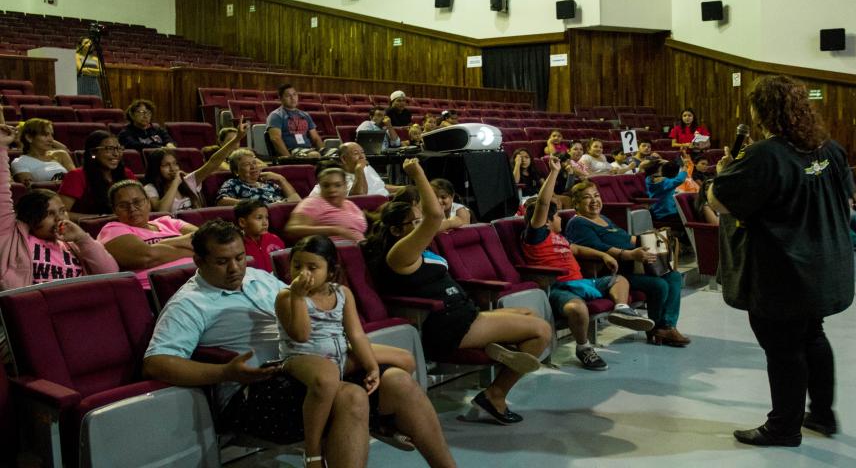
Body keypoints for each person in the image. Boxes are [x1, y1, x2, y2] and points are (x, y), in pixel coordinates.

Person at [143, 220, 454, 468]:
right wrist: (226, 372)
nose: (235, 268)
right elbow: (157, 362)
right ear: (198, 260)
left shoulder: (259, 277)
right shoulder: (189, 304)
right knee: (350, 396)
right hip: (253, 390)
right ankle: (323, 452)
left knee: (398, 380)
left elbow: (304, 313)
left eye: (239, 257)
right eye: (222, 262)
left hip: (306, 368)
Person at [708, 74, 854, 447]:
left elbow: (719, 201)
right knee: (813, 336)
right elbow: (848, 202)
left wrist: (727, 172)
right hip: (824, 263)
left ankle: (783, 428)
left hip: (784, 269)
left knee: (783, 347)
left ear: (763, 110)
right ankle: (822, 414)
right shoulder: (828, 149)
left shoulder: (764, 155)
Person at [363, 158, 551, 424]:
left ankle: (497, 350)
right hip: (449, 325)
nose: (423, 226)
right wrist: (417, 173)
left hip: (464, 312)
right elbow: (435, 216)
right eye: (415, 223)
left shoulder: (414, 241)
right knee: (540, 331)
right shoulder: (399, 253)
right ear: (395, 230)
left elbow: (442, 221)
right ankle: (495, 395)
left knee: (529, 314)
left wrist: (450, 221)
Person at [277, 235, 456, 467]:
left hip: (338, 352)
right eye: (297, 266)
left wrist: (371, 366)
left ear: (331, 271)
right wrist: (299, 297)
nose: (303, 273)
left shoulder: (341, 293)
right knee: (327, 376)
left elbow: (356, 334)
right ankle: (312, 452)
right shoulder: (287, 296)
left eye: (313, 267)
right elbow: (300, 334)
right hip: (302, 358)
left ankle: (384, 422)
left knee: (404, 359)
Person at [523, 157, 655, 371]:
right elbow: (543, 203)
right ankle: (583, 348)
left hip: (584, 282)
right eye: (556, 217)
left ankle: (622, 309)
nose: (561, 220)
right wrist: (554, 172)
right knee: (577, 309)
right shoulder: (536, 236)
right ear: (545, 220)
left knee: (619, 280)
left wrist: (603, 255)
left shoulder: (560, 237)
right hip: (561, 288)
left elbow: (576, 249)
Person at [564, 180, 689, 347]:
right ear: (576, 203)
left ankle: (666, 326)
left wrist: (653, 239)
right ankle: (657, 329)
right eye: (587, 198)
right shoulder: (578, 223)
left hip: (634, 268)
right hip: (611, 274)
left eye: (596, 195)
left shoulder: (604, 218)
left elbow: (626, 237)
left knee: (673, 276)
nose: (594, 201)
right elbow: (597, 247)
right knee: (659, 285)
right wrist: (629, 254)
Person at [1, 124, 117, 290]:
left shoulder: (73, 243)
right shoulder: (13, 238)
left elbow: (111, 273)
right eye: (49, 213)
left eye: (62, 211)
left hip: (79, 303)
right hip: (36, 307)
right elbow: (2, 194)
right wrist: (1, 147)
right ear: (31, 217)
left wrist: (82, 239)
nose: (60, 218)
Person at [97, 180, 198, 288]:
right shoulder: (112, 229)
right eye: (123, 205)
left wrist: (161, 245)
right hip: (158, 289)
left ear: (148, 202)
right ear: (114, 210)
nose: (132, 209)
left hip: (199, 279)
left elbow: (209, 239)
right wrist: (194, 251)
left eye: (137, 202)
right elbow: (146, 257)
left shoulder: (168, 222)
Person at [143, 121, 248, 213]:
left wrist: (236, 139)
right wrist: (175, 183)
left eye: (175, 164)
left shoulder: (188, 181)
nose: (173, 168)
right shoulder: (151, 188)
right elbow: (162, 212)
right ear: (156, 168)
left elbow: (212, 163)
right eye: (166, 165)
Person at [58, 130, 136, 218]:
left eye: (119, 148)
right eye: (109, 149)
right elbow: (61, 213)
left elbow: (140, 202)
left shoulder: (127, 173)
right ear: (93, 153)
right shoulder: (77, 176)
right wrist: (101, 219)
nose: (116, 154)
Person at [286, 167, 368, 243]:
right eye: (326, 186)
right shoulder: (312, 203)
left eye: (337, 185)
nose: (332, 190)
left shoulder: (350, 204)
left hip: (362, 249)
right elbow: (291, 231)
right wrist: (334, 230)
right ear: (320, 187)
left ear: (345, 187)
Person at [216, 148, 302, 206]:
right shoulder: (233, 183)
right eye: (247, 164)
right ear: (236, 171)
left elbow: (296, 200)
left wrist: (281, 179)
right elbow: (222, 201)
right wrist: (258, 205)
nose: (253, 167)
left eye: (254, 163)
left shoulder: (267, 182)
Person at [266, 84, 326, 159]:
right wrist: (289, 158)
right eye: (288, 96)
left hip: (309, 150)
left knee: (338, 153)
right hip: (292, 151)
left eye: (294, 94)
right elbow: (275, 139)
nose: (293, 98)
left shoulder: (305, 115)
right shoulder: (276, 115)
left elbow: (315, 138)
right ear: (280, 98)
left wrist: (324, 152)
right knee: (314, 155)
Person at [10, 118, 75, 184]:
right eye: (45, 135)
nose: (51, 140)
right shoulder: (19, 162)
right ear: (29, 138)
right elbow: (30, 188)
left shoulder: (61, 155)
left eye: (51, 135)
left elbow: (77, 180)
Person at [235, 199, 285, 274]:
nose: (265, 223)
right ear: (242, 222)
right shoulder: (238, 245)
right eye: (259, 218)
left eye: (266, 218)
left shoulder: (275, 239)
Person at [336, 142, 401, 197]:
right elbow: (359, 197)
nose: (362, 156)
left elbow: (381, 186)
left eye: (362, 152)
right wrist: (359, 170)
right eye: (356, 153)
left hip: (386, 198)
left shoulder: (367, 167)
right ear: (344, 159)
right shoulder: (340, 177)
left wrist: (404, 188)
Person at [646, 157, 688, 225]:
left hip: (666, 211)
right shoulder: (661, 182)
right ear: (657, 170)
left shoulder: (649, 179)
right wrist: (684, 170)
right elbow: (679, 180)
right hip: (665, 213)